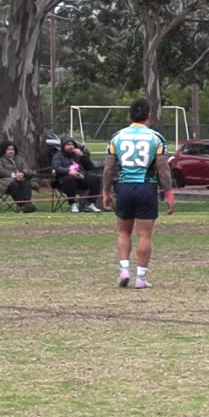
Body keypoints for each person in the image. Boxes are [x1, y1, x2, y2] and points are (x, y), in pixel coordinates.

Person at [103, 99, 175, 288]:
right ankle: (141, 279)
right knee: (144, 235)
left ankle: (124, 269)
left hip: (124, 187)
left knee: (123, 231)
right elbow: (163, 169)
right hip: (146, 187)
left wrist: (106, 191)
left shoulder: (117, 137)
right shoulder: (156, 138)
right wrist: (168, 194)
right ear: (149, 115)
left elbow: (109, 168)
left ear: (129, 116)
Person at [0, 140, 38, 214]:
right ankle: (23, 205)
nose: (11, 151)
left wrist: (23, 174)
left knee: (27, 183)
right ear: (4, 150)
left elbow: (27, 169)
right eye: (9, 149)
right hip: (2, 184)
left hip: (20, 181)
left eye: (13, 149)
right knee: (13, 184)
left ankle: (27, 204)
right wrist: (14, 175)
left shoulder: (19, 159)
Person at [52, 138, 101, 212]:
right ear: (63, 146)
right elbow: (57, 167)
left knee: (95, 179)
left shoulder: (78, 154)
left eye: (72, 145)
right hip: (64, 182)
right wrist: (68, 172)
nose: (71, 147)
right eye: (68, 145)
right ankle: (72, 204)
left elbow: (90, 167)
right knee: (69, 179)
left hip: (81, 178)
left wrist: (82, 155)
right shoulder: (58, 156)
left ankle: (90, 204)